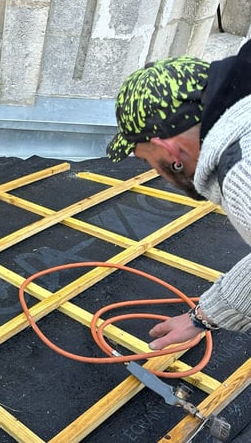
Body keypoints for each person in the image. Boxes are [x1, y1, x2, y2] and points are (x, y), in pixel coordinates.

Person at [106, 40, 251, 350]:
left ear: (171, 151)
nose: (157, 173)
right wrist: (203, 316)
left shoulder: (242, 171)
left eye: (148, 159)